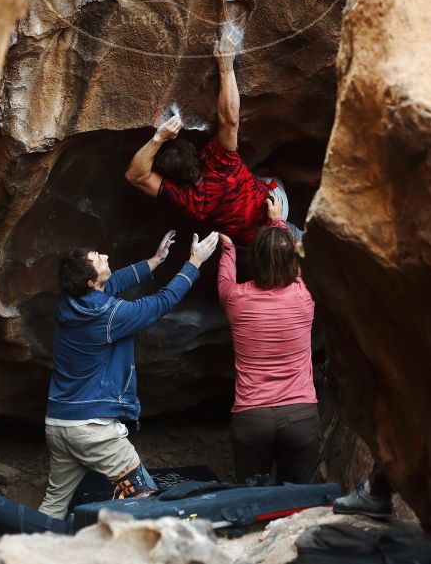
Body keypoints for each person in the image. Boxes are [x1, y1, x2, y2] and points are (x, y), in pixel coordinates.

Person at [39, 228, 219, 519]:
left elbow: (114, 281)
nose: (106, 256)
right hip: (91, 430)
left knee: (54, 504)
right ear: (91, 281)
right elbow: (161, 302)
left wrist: (155, 260)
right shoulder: (108, 316)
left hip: (58, 425)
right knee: (143, 497)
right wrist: (194, 263)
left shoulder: (69, 302)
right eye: (99, 259)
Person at [125, 31, 302, 245]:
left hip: (249, 243)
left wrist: (157, 140)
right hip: (276, 213)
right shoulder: (220, 163)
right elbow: (230, 119)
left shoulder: (186, 199)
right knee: (270, 166)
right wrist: (226, 67)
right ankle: (310, 178)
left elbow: (136, 176)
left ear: (170, 178)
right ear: (194, 148)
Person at [217, 195, 320, 484]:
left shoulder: (235, 298)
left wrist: (227, 246)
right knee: (298, 499)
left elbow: (225, 277)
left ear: (254, 258)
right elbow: (297, 261)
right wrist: (278, 220)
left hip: (252, 417)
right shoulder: (305, 293)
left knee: (251, 497)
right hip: (300, 415)